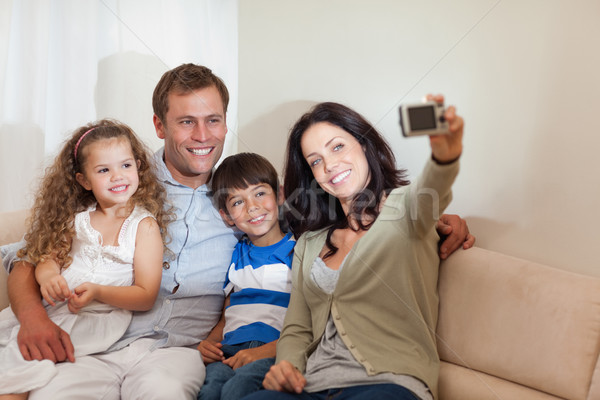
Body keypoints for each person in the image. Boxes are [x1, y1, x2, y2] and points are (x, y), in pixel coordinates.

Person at [1, 63, 473, 399]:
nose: (202, 135)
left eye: (213, 120)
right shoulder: (120, 184)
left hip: (181, 355)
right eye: (186, 121)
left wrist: (437, 220)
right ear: (159, 126)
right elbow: (28, 255)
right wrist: (35, 318)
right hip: (97, 342)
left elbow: (373, 206)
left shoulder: (249, 201)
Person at [243, 96, 464, 400]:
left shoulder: (405, 210)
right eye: (315, 161)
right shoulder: (309, 242)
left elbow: (433, 188)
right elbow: (297, 328)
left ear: (365, 146)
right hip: (312, 387)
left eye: (337, 147)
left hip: (390, 384)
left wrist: (445, 155)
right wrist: (287, 366)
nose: (329, 165)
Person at [0, 119, 169, 399]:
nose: (117, 176)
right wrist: (48, 278)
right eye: (104, 170)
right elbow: (48, 259)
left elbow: (146, 294)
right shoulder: (77, 220)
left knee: (27, 363)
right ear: (84, 180)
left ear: (139, 167)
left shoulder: (144, 226)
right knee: (18, 359)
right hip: (53, 309)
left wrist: (98, 293)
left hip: (93, 318)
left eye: (125, 165)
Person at [197, 152, 295, 400]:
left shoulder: (297, 251)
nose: (253, 207)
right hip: (228, 351)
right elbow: (228, 314)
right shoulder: (236, 255)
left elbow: (308, 323)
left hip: (273, 350)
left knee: (236, 390)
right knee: (209, 390)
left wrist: (265, 352)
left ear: (280, 194)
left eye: (260, 193)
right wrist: (209, 343)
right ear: (227, 216)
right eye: (238, 202)